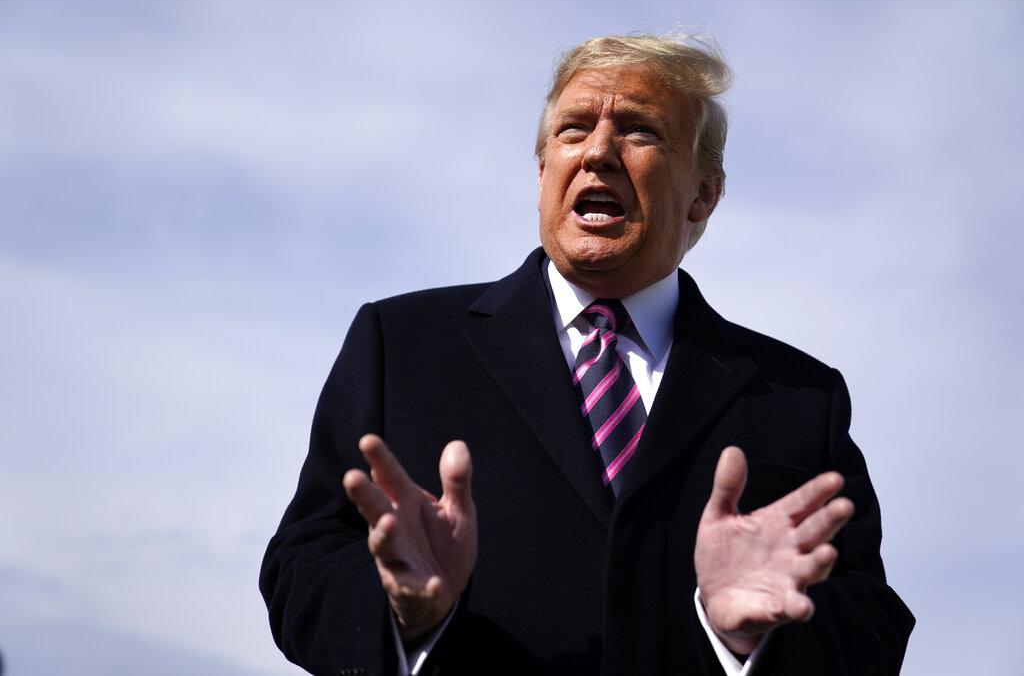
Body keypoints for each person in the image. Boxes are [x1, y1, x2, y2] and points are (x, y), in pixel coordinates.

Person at [260, 34, 914, 675]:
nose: (598, 151)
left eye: (639, 131)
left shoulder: (797, 398)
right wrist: (402, 613)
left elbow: (870, 625)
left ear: (704, 194)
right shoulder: (401, 344)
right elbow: (302, 564)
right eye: (573, 129)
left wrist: (747, 639)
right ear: (543, 174)